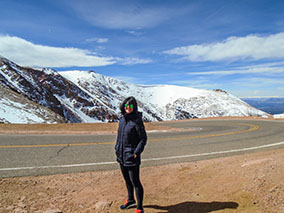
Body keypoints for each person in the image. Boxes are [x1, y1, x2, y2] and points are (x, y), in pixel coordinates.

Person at [115, 96, 147, 213]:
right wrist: (117, 148)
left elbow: (143, 139)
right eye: (127, 105)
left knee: (135, 182)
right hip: (121, 156)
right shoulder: (122, 119)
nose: (128, 108)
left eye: (131, 106)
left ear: (134, 107)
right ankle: (130, 199)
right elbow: (120, 137)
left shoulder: (137, 121)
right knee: (127, 180)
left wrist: (136, 153)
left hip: (131, 156)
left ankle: (139, 207)